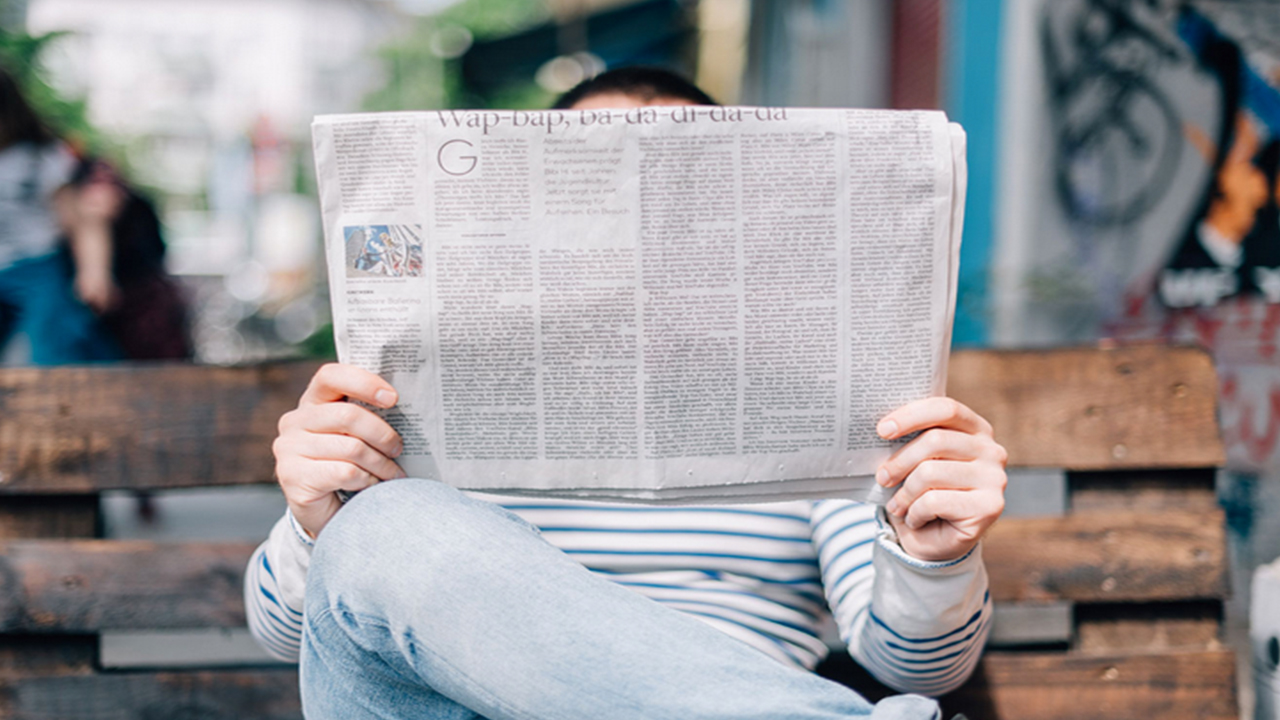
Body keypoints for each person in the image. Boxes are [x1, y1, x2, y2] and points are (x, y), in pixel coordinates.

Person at [246, 68, 1007, 720]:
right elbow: (289, 634)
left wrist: (932, 557)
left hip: (735, 678)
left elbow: (919, 669)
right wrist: (322, 522)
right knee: (388, 524)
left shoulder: (820, 400)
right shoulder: (411, 393)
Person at [0, 65, 120, 364]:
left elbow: (82, 221)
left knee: (47, 347)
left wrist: (94, 271)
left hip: (35, 267)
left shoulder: (39, 157)